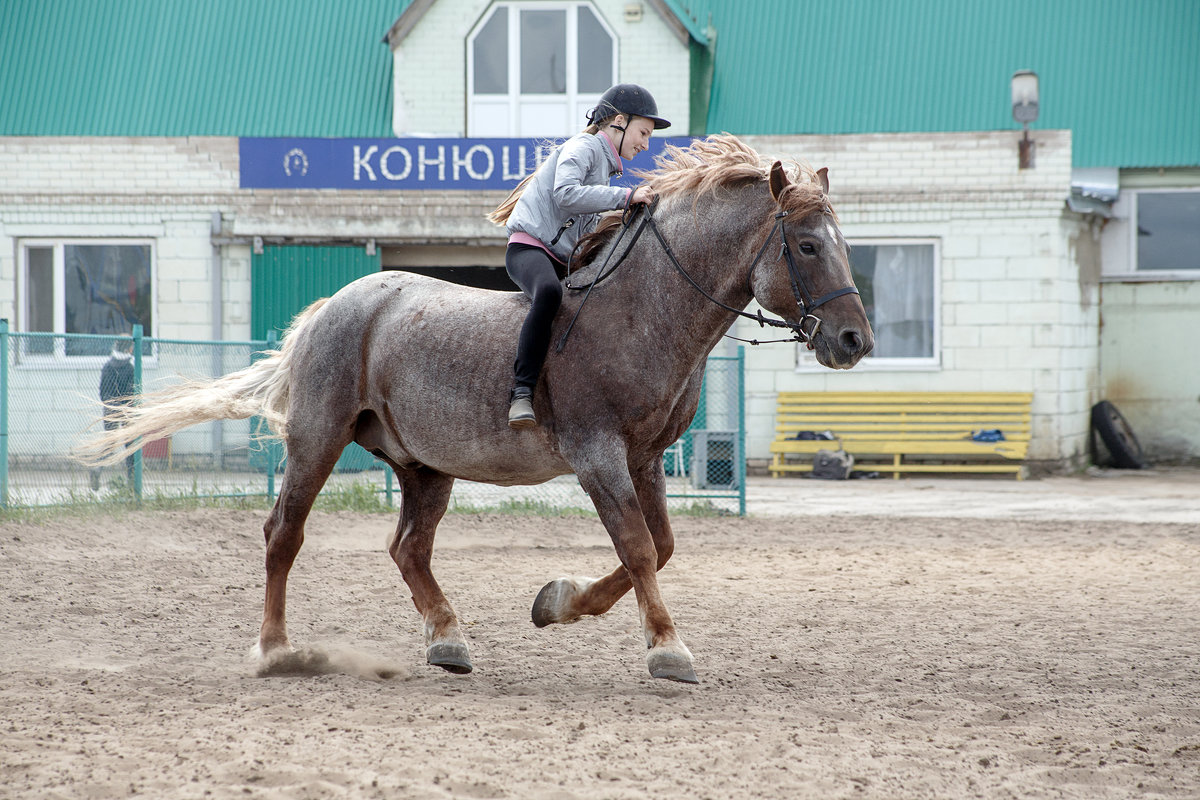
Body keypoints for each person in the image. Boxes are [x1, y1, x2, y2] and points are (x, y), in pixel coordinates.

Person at [488, 83, 669, 429]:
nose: (645, 144)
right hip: (528, 248)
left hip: (560, 257)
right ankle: (521, 392)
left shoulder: (606, 166)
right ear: (618, 121)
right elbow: (566, 193)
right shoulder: (584, 146)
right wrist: (625, 197)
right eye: (643, 133)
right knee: (551, 293)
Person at [94, 336, 136, 487]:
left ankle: (98, 467)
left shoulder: (107, 366)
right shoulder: (130, 368)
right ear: (127, 349)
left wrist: (108, 403)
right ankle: (131, 480)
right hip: (126, 409)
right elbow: (132, 392)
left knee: (110, 443)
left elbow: (102, 390)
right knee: (130, 445)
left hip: (110, 407)